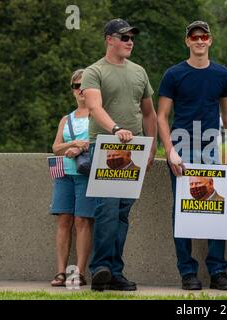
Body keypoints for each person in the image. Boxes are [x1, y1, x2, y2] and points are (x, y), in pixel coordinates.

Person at [157, 20, 227, 291]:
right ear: (187, 41)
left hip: (210, 149)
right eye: (195, 37)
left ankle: (217, 272)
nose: (200, 41)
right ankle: (188, 273)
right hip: (182, 148)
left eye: (204, 37)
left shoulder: (222, 75)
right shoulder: (174, 74)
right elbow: (161, 116)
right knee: (183, 210)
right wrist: (170, 152)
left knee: (215, 207)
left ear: (210, 40)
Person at [81, 18, 157, 291]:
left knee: (122, 212)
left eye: (131, 38)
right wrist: (116, 129)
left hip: (134, 150)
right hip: (105, 146)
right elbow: (94, 107)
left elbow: (149, 113)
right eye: (123, 37)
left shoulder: (139, 72)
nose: (129, 42)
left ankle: (114, 273)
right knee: (108, 209)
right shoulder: (94, 71)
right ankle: (101, 267)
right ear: (109, 39)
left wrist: (151, 146)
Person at [50, 69, 94, 287]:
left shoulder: (97, 116)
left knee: (83, 221)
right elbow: (56, 147)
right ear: (73, 91)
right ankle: (60, 272)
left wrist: (82, 147)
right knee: (63, 221)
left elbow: (101, 142)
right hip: (64, 173)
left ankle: (79, 272)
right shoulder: (66, 119)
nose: (81, 91)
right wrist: (73, 144)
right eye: (77, 86)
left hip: (86, 173)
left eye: (85, 86)